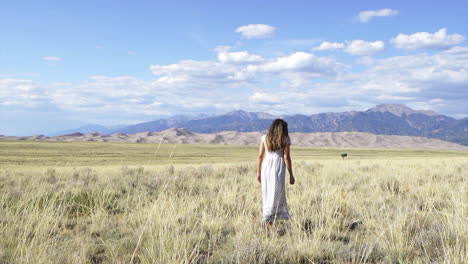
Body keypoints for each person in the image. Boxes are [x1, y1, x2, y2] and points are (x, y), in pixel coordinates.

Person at [257, 119, 295, 227]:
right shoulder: (285, 139)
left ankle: (269, 221)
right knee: (276, 194)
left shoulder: (265, 138)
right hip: (278, 168)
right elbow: (287, 157)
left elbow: (260, 156)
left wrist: (258, 172)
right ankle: (268, 220)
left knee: (267, 193)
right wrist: (291, 175)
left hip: (266, 167)